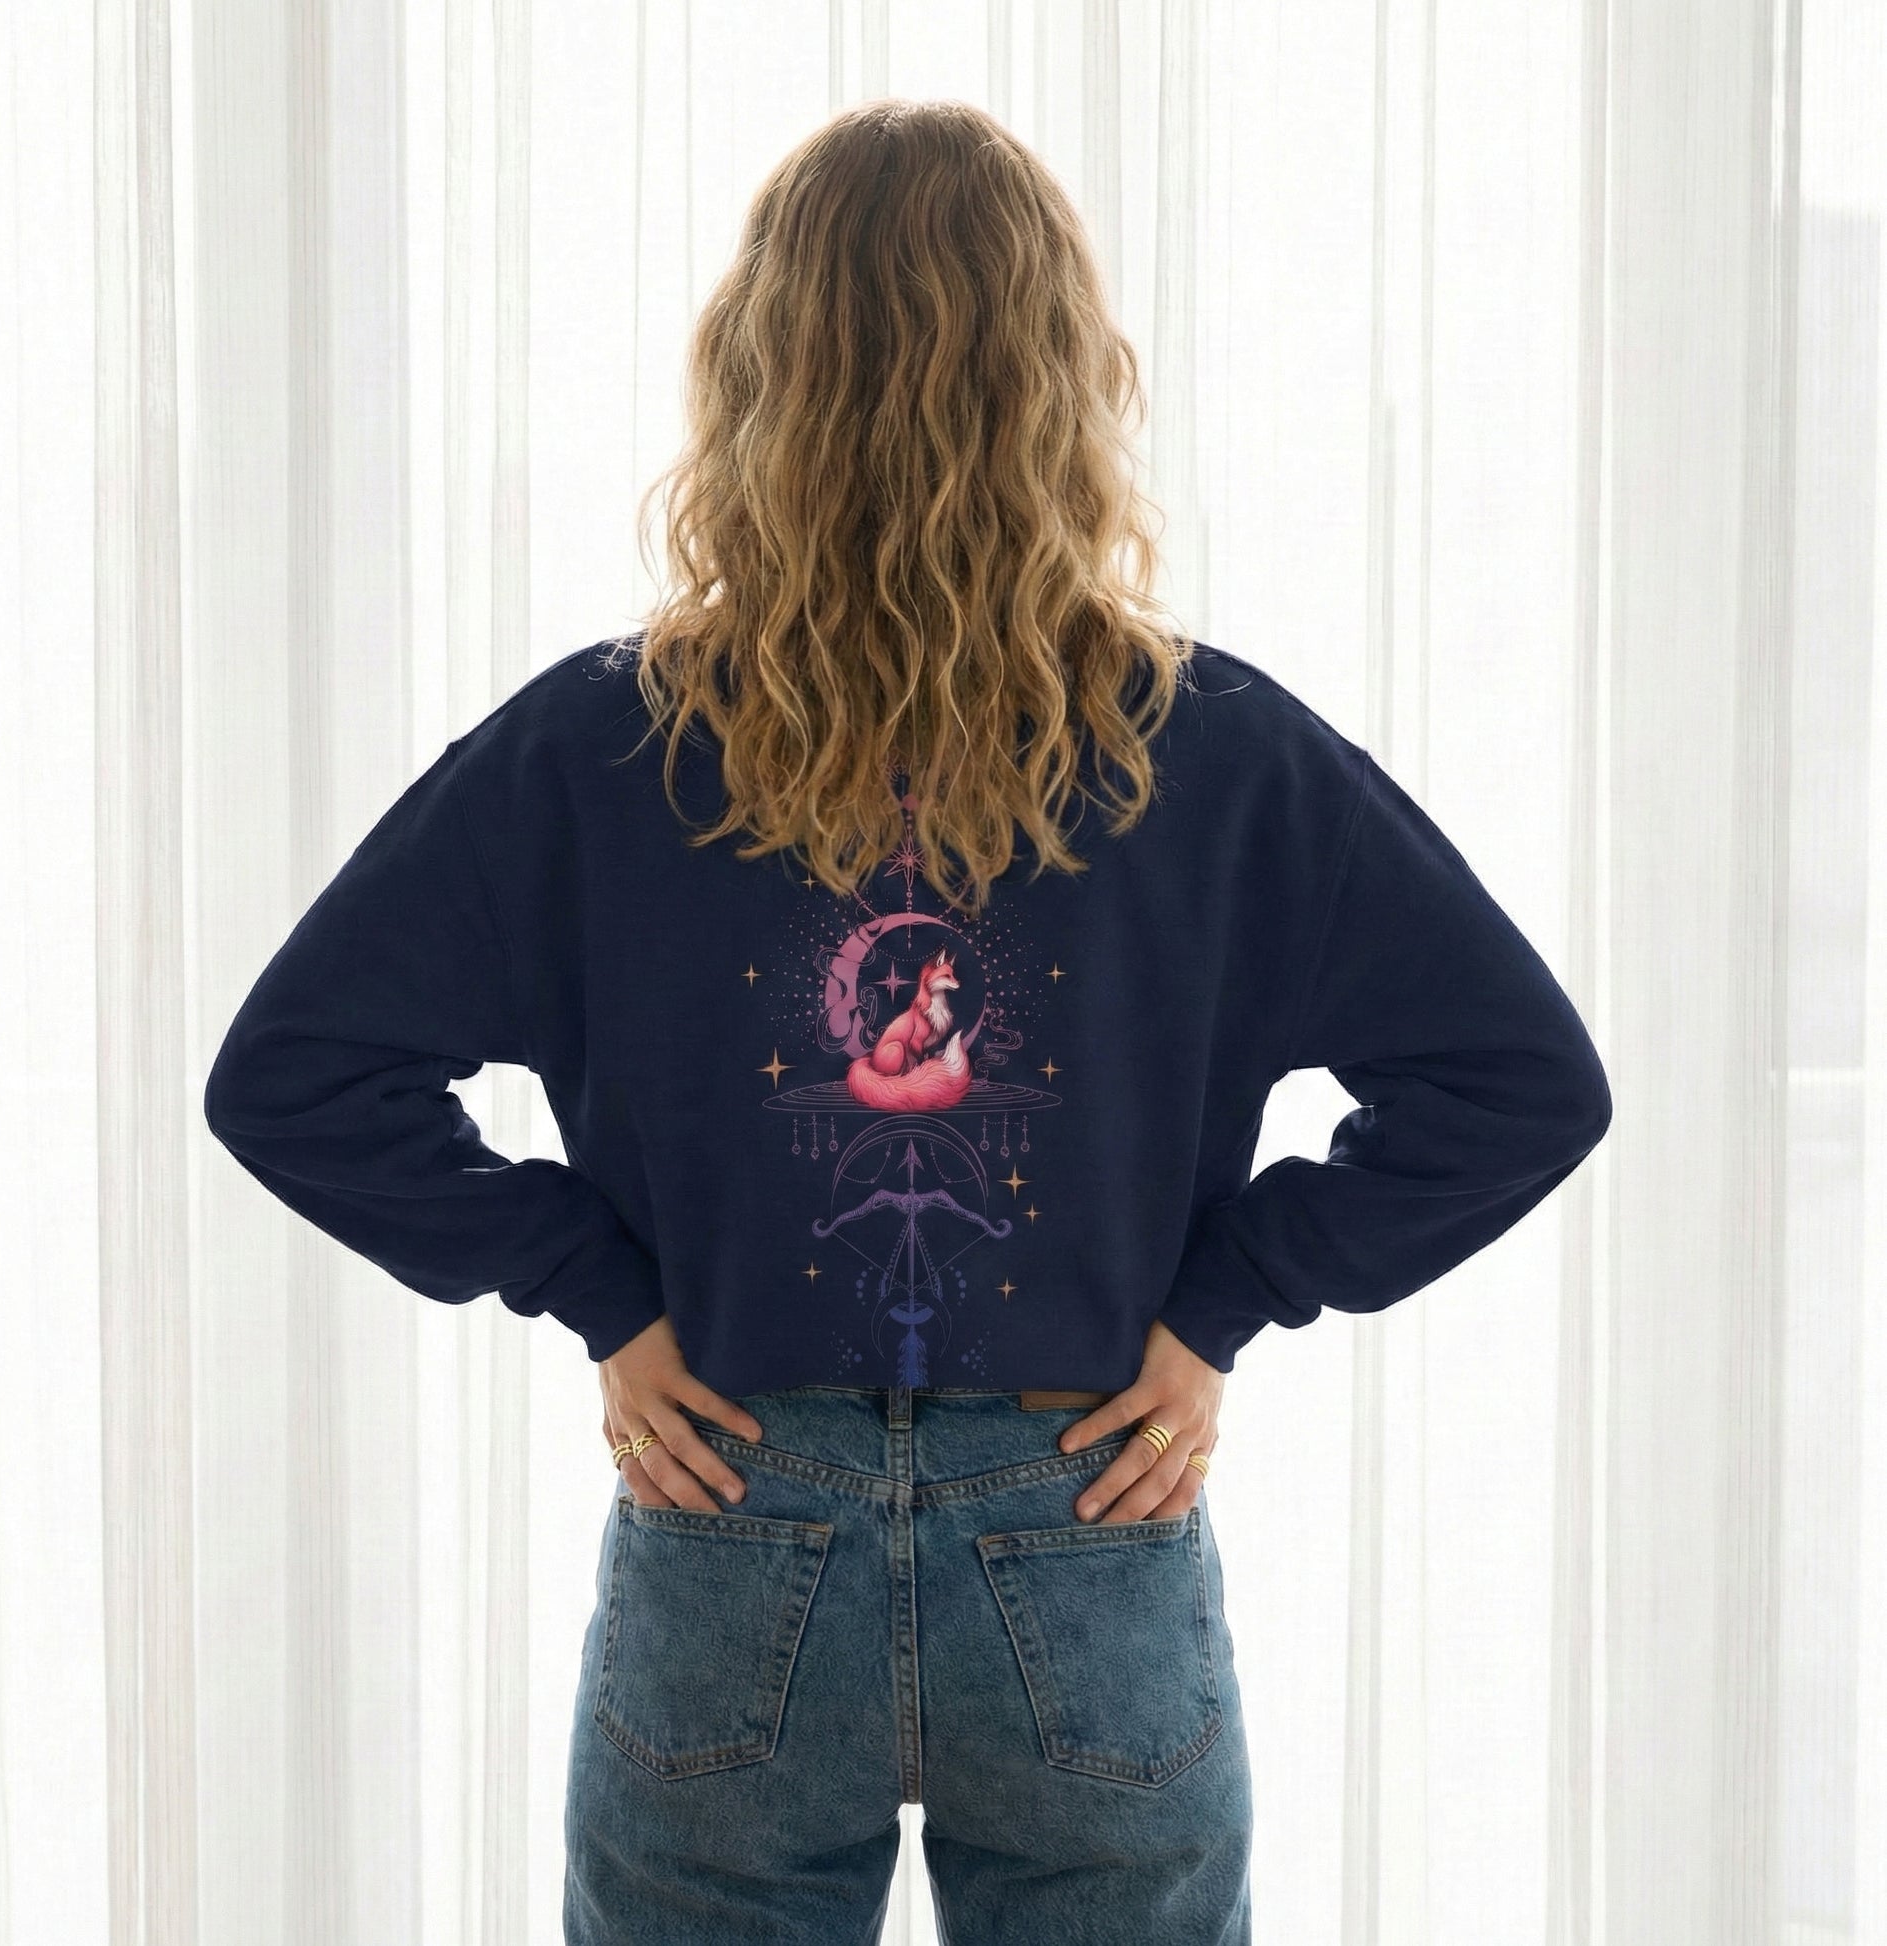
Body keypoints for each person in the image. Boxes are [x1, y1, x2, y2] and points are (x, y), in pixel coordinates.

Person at [203, 97, 1611, 1946]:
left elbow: (296, 1076)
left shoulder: (599, 744)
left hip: (732, 1505)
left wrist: (596, 1290)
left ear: (754, 371)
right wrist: (1224, 1302)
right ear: (1066, 381)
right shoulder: (1214, 751)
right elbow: (1519, 1081)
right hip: (1084, 1509)